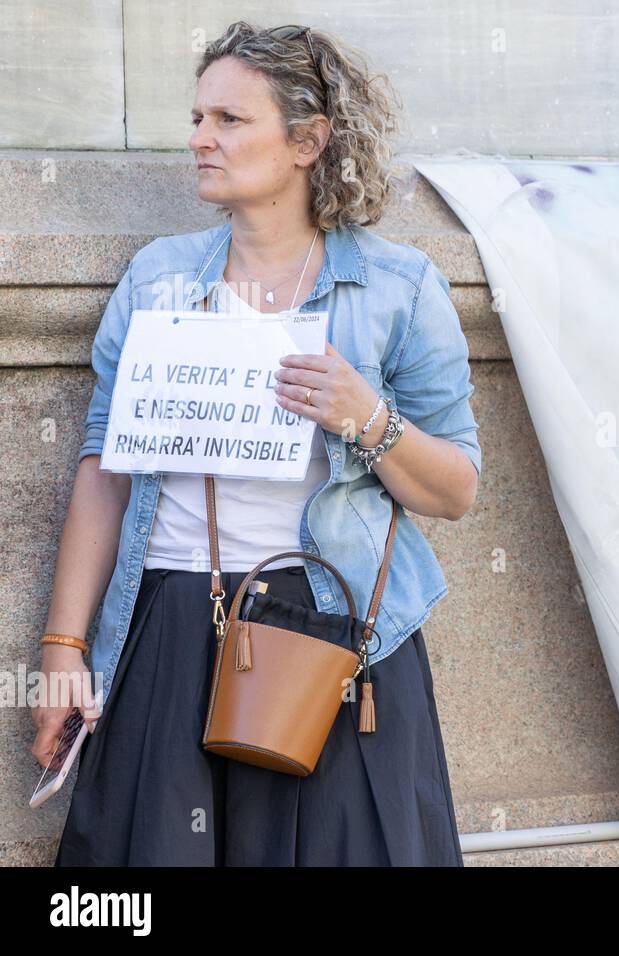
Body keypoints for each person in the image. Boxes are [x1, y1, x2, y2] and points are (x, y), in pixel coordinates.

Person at [30, 21, 478, 866]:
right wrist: (64, 649)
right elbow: (104, 466)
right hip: (168, 624)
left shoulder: (397, 288)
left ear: (308, 140)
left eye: (230, 120)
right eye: (198, 118)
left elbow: (456, 490)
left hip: (328, 643)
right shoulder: (160, 277)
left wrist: (368, 420)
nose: (200, 139)